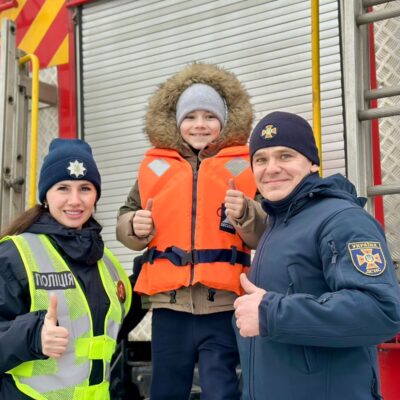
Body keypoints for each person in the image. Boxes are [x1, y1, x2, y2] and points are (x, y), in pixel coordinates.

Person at [116, 63, 266, 399]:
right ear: (176, 122)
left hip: (224, 307)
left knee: (221, 390)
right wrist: (134, 226)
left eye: (210, 116)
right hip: (170, 309)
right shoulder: (155, 167)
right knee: (165, 390)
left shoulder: (246, 166)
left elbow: (263, 233)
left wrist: (245, 213)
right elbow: (125, 219)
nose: (200, 124)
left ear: (225, 121)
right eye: (191, 116)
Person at [233, 111, 400, 400]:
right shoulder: (276, 223)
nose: (271, 168)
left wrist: (271, 313)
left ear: (312, 163)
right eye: (260, 159)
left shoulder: (342, 219)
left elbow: (380, 311)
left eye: (285, 156)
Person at [0, 138, 133, 400]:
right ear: (45, 196)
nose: (75, 200)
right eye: (63, 188)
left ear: (96, 196)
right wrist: (32, 336)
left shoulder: (107, 263)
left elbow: (112, 326)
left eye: (85, 188)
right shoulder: (15, 255)